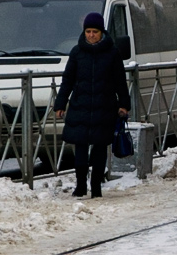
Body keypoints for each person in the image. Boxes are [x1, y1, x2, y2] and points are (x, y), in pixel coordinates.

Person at [54, 13, 130, 198]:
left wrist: (124, 104)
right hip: (81, 106)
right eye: (88, 31)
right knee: (80, 148)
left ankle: (96, 186)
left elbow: (120, 80)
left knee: (99, 149)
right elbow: (68, 80)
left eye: (94, 31)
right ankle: (80, 186)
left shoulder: (112, 53)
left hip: (104, 107)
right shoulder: (77, 52)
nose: (91, 35)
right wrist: (60, 104)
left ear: (101, 32)